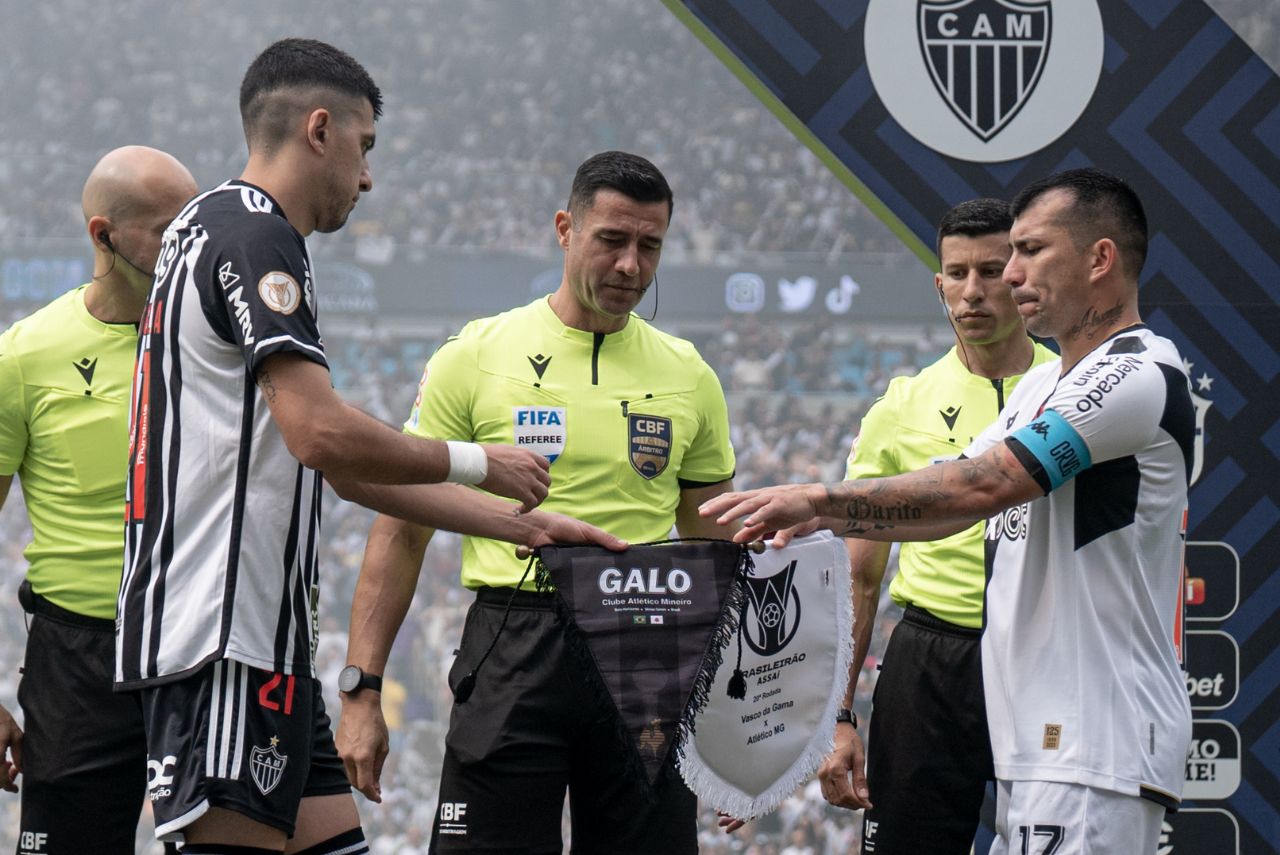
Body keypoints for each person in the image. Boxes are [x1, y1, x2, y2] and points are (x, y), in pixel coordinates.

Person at [115, 40, 621, 855]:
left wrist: (522, 527)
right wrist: (479, 459)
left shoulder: (210, 227)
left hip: (261, 640)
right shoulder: (256, 235)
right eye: (365, 145)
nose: (369, 176)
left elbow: (341, 467)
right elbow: (321, 432)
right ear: (320, 129)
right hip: (221, 635)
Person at [703, 168, 1194, 855]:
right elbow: (942, 505)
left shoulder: (1137, 372)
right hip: (1040, 735)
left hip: (1096, 740)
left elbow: (981, 487)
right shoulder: (1045, 385)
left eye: (1029, 251)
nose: (1010, 275)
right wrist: (827, 519)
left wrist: (818, 499)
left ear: (1100, 259)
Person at [336, 150, 738, 854]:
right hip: (516, 638)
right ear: (565, 228)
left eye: (650, 246)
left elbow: (714, 549)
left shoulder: (689, 373)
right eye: (611, 239)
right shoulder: (477, 354)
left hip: (647, 644)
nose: (630, 265)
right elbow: (401, 527)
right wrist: (362, 688)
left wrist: (738, 719)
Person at [817, 199, 1057, 852]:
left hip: (1047, 653)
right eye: (957, 273)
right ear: (939, 284)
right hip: (931, 660)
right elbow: (860, 580)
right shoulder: (901, 406)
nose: (972, 291)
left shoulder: (1074, 388)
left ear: (1021, 276)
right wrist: (840, 714)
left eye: (990, 271)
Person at [0, 145, 197, 855]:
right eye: (168, 230)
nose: (187, 246)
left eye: (194, 227)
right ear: (103, 234)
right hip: (77, 662)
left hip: (199, 647)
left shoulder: (222, 346)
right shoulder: (26, 356)